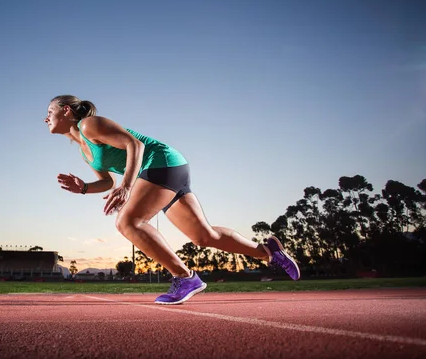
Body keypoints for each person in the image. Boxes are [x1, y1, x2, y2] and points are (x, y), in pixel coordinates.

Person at [44, 95, 300, 305]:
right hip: (164, 170)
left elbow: (136, 146)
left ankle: (185, 277)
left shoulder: (90, 125)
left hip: (160, 162)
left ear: (66, 111)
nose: (46, 118)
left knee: (129, 222)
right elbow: (107, 181)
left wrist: (127, 187)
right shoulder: (83, 151)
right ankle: (268, 252)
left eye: (50, 111)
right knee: (203, 236)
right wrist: (84, 187)